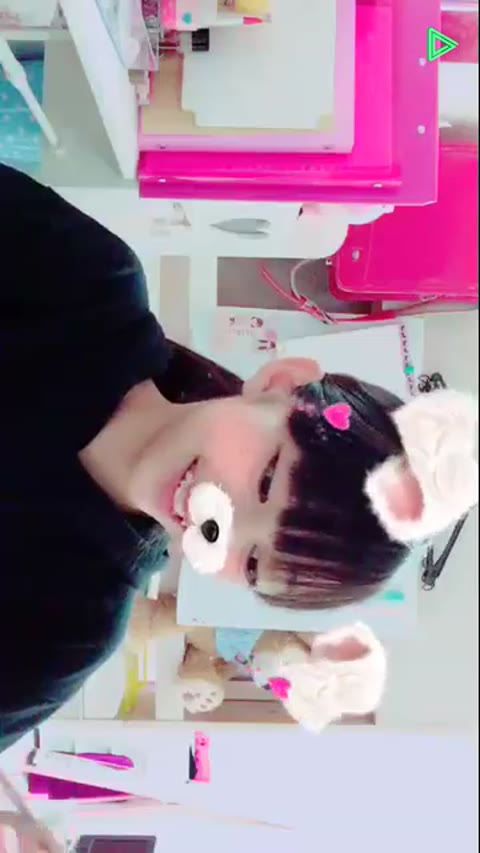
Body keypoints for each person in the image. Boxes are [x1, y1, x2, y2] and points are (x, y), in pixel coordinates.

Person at [1, 165, 477, 754]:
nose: (220, 522)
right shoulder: (88, 288)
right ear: (281, 381)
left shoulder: (67, 627)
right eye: (268, 478)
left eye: (251, 562)